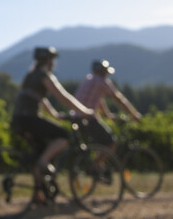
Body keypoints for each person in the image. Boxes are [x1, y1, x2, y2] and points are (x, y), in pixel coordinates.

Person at [11, 46, 95, 203]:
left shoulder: (30, 76)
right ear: (49, 60)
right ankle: (44, 163)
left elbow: (40, 98)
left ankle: (38, 195)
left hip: (18, 119)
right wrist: (85, 111)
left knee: (40, 152)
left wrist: (55, 114)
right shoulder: (44, 75)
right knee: (63, 136)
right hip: (30, 119)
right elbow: (63, 96)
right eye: (52, 59)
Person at [73, 59, 143, 155]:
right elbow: (118, 98)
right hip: (88, 118)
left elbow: (99, 100)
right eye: (105, 71)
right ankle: (94, 168)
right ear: (101, 71)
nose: (107, 74)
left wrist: (108, 115)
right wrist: (134, 114)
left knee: (102, 143)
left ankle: (98, 167)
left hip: (76, 117)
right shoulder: (101, 81)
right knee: (112, 142)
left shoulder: (89, 79)